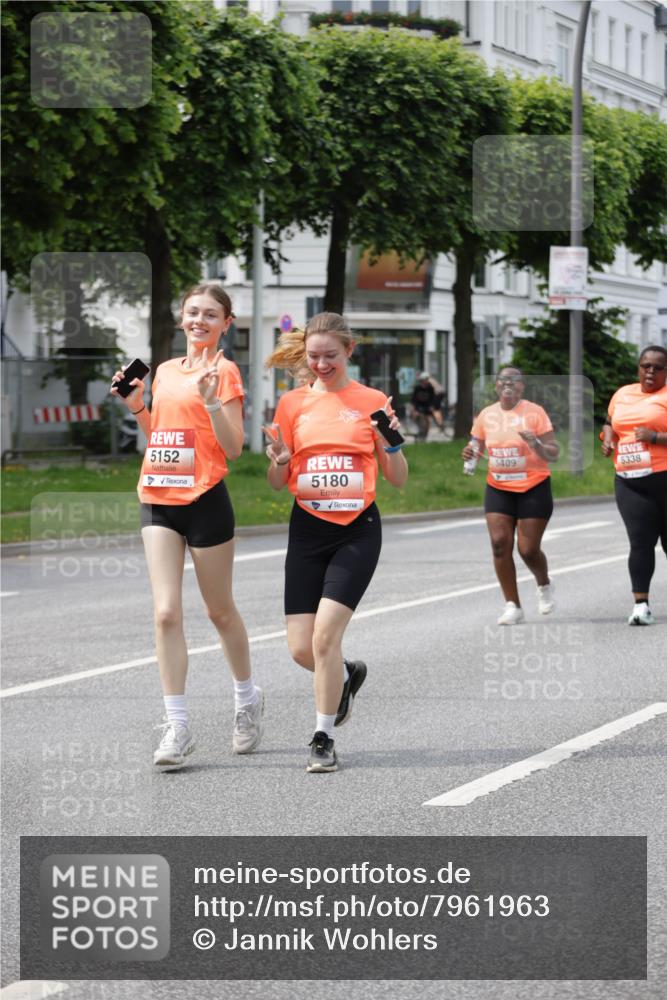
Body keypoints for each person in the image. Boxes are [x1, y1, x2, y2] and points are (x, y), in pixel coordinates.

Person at [110, 282, 263, 770]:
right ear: (181, 318)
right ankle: (177, 726)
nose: (199, 320)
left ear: (225, 323)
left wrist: (213, 401)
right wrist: (136, 404)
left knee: (219, 612)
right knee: (165, 614)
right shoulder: (167, 371)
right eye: (192, 312)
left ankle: (246, 700)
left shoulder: (226, 371)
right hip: (157, 496)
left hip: (204, 499)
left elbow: (234, 447)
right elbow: (163, 435)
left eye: (210, 314)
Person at [263, 312, 408, 773]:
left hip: (357, 529)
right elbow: (274, 481)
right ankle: (345, 675)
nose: (322, 364)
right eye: (313, 357)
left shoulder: (372, 401)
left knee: (326, 637)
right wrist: (281, 462)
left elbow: (398, 480)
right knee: (301, 649)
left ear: (349, 352)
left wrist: (393, 446)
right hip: (306, 528)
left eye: (330, 356)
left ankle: (323, 737)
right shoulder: (291, 405)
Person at [462, 366, 560, 625]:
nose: (508, 385)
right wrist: (470, 455)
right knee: (499, 544)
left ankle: (544, 584)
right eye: (503, 380)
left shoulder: (535, 412)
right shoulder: (486, 415)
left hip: (533, 486)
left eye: (514, 381)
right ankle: (512, 605)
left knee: (528, 550)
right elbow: (476, 444)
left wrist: (536, 444)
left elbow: (554, 452)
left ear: (522, 387)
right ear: (496, 386)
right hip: (499, 486)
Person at [602, 345, 667, 625]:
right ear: (638, 367)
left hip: (664, 477)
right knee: (640, 543)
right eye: (645, 366)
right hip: (629, 481)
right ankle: (641, 605)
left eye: (657, 367)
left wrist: (654, 437)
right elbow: (609, 423)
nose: (650, 371)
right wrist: (607, 438)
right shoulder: (622, 394)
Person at [409, 372, 444, 437]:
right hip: (418, 409)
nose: (425, 382)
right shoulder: (417, 388)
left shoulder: (430, 388)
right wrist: (414, 410)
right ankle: (421, 434)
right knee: (422, 422)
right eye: (424, 380)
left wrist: (433, 382)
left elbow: (438, 393)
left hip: (427, 409)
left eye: (427, 380)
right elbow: (413, 400)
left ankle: (424, 436)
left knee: (427, 423)